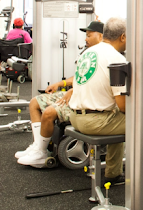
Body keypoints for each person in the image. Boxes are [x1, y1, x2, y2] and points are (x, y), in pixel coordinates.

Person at [16, 22, 104, 167]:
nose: (85, 39)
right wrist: (60, 84)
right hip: (76, 93)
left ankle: (41, 152)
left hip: (86, 99)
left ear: (100, 36)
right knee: (34, 103)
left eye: (89, 35)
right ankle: (38, 147)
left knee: (49, 112)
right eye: (86, 36)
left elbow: (98, 82)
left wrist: (73, 90)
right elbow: (80, 76)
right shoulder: (88, 53)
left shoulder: (105, 56)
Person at [67, 17, 129, 181]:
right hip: (94, 122)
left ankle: (113, 172)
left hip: (74, 117)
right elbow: (123, 105)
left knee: (118, 119)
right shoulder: (117, 59)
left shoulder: (88, 52)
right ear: (123, 36)